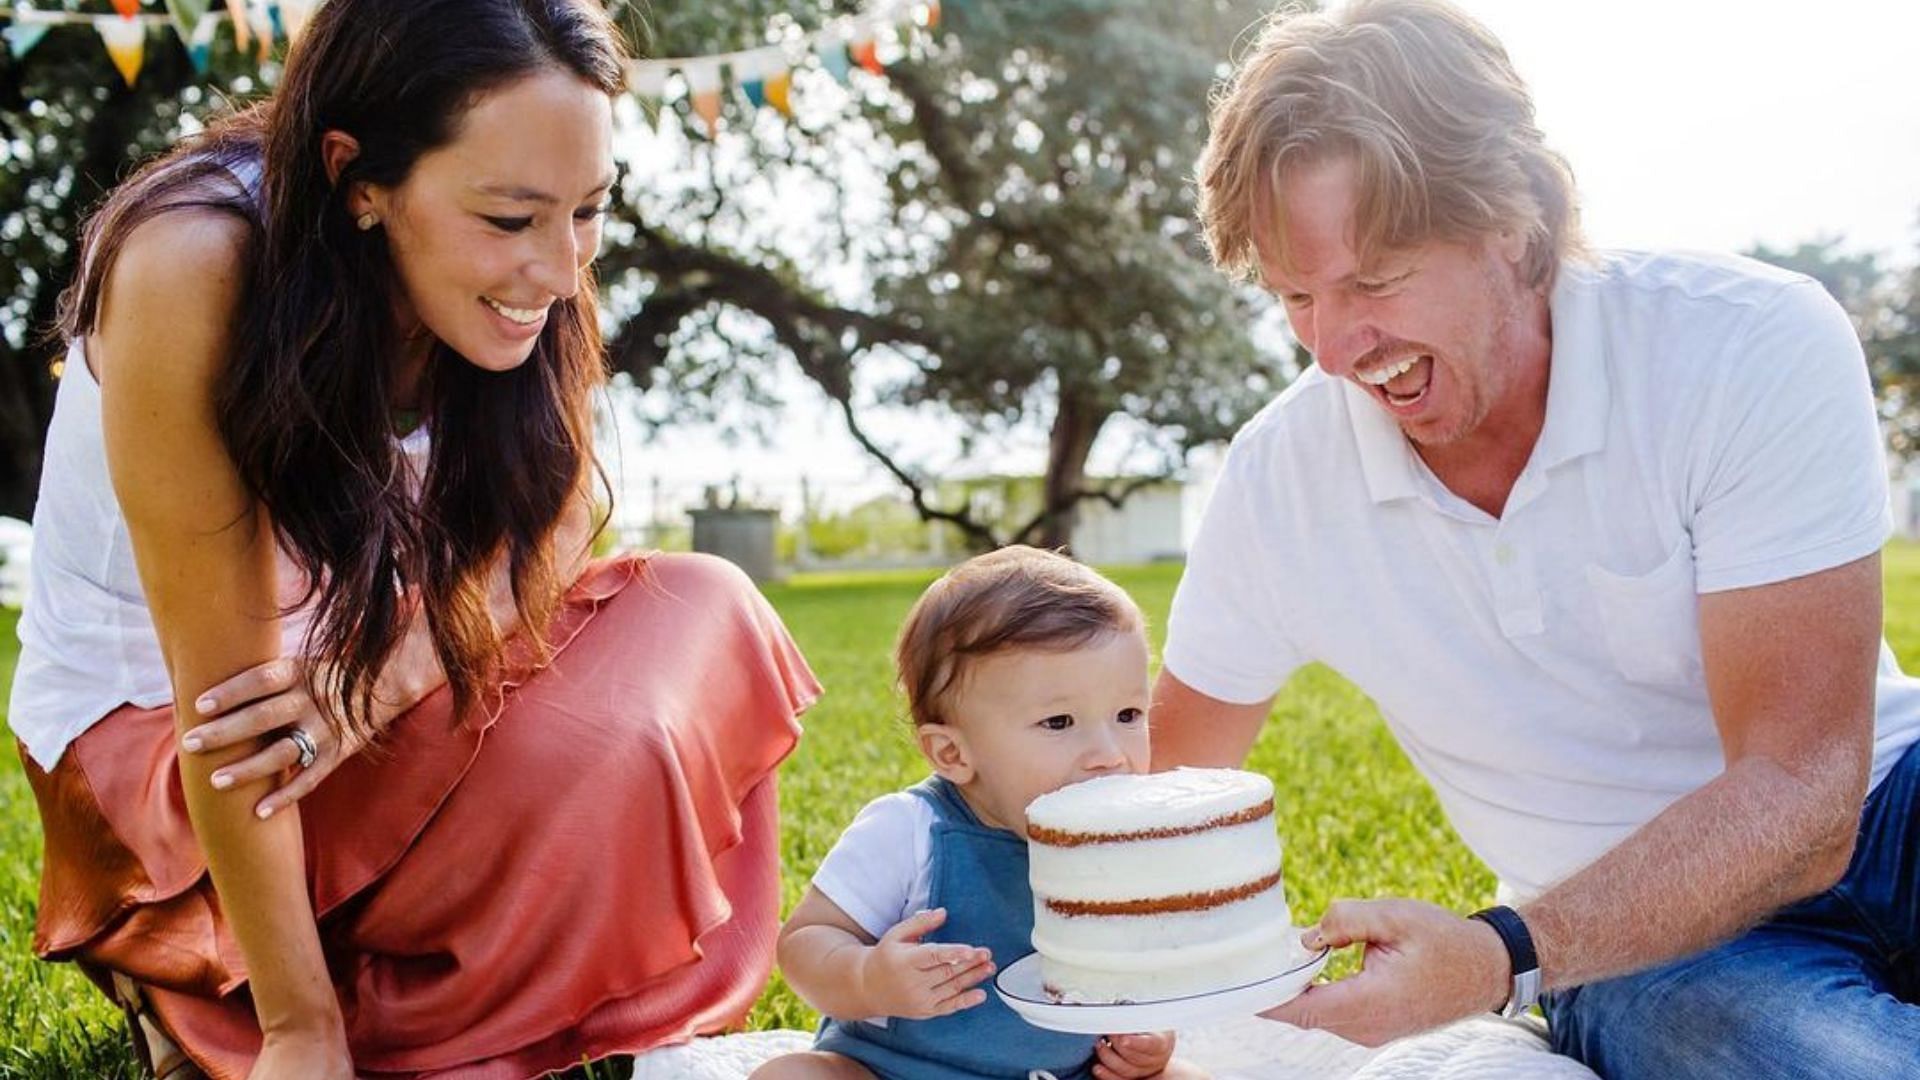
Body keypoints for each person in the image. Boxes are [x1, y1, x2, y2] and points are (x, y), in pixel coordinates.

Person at [9, 2, 819, 1077]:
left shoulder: (526, 264)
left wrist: (379, 685)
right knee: (575, 746)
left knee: (705, 611)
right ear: (357, 178)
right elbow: (234, 717)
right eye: (511, 219)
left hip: (355, 699)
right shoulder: (191, 264)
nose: (560, 269)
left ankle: (404, 991)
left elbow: (560, 508)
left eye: (588, 211)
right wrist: (304, 1034)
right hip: (177, 757)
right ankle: (246, 989)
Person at [1152, 0, 1920, 1075]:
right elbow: (1152, 787)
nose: (1334, 350)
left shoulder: (1744, 341)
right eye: (1296, 297)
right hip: (1635, 936)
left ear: (1511, 220)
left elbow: (1804, 793)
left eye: (1374, 282)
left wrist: (1493, 956)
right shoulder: (1282, 482)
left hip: (1892, 806)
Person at [750, 547, 1197, 1080]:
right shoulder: (911, 831)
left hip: (1063, 1072)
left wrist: (1148, 1038)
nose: (1109, 753)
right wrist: (868, 977)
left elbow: (1145, 971)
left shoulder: (1125, 849)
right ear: (953, 754)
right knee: (794, 1076)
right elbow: (804, 943)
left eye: (1128, 714)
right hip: (898, 1070)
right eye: (1058, 722)